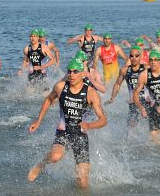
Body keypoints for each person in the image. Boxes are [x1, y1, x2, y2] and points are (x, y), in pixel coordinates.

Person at [27, 58, 107, 189]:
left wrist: (89, 126)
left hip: (80, 135)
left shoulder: (90, 93)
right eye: (69, 71)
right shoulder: (60, 87)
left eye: (75, 71)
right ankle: (41, 165)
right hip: (63, 131)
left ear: (82, 74)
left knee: (83, 182)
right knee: (55, 156)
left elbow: (103, 119)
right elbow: (48, 99)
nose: (71, 74)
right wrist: (38, 120)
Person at [105, 46, 149, 126]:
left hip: (147, 101)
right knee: (131, 125)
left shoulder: (146, 68)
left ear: (141, 57)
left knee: (150, 125)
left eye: (136, 56)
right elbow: (117, 84)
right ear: (129, 57)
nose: (134, 58)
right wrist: (112, 98)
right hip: (133, 103)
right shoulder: (125, 70)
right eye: (131, 56)